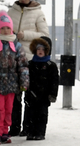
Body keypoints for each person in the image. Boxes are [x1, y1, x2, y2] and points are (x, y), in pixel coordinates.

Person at [7, 0, 49, 137]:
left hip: (30, 60)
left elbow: (44, 35)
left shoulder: (38, 13)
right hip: (12, 60)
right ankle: (14, 127)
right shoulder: (11, 12)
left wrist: (24, 35)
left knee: (29, 97)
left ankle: (28, 127)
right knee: (14, 96)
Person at [0, 12, 29, 145]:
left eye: (7, 28)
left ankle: (5, 131)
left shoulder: (16, 46)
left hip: (12, 84)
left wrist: (24, 82)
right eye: (2, 28)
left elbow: (23, 65)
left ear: (12, 29)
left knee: (9, 109)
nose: (5, 31)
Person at [23, 37, 58, 141]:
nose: (40, 51)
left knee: (42, 115)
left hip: (44, 96)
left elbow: (54, 81)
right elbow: (25, 79)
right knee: (30, 114)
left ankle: (40, 133)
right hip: (31, 95)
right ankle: (30, 132)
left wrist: (53, 94)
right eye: (38, 49)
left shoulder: (51, 66)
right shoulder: (30, 64)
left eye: (43, 49)